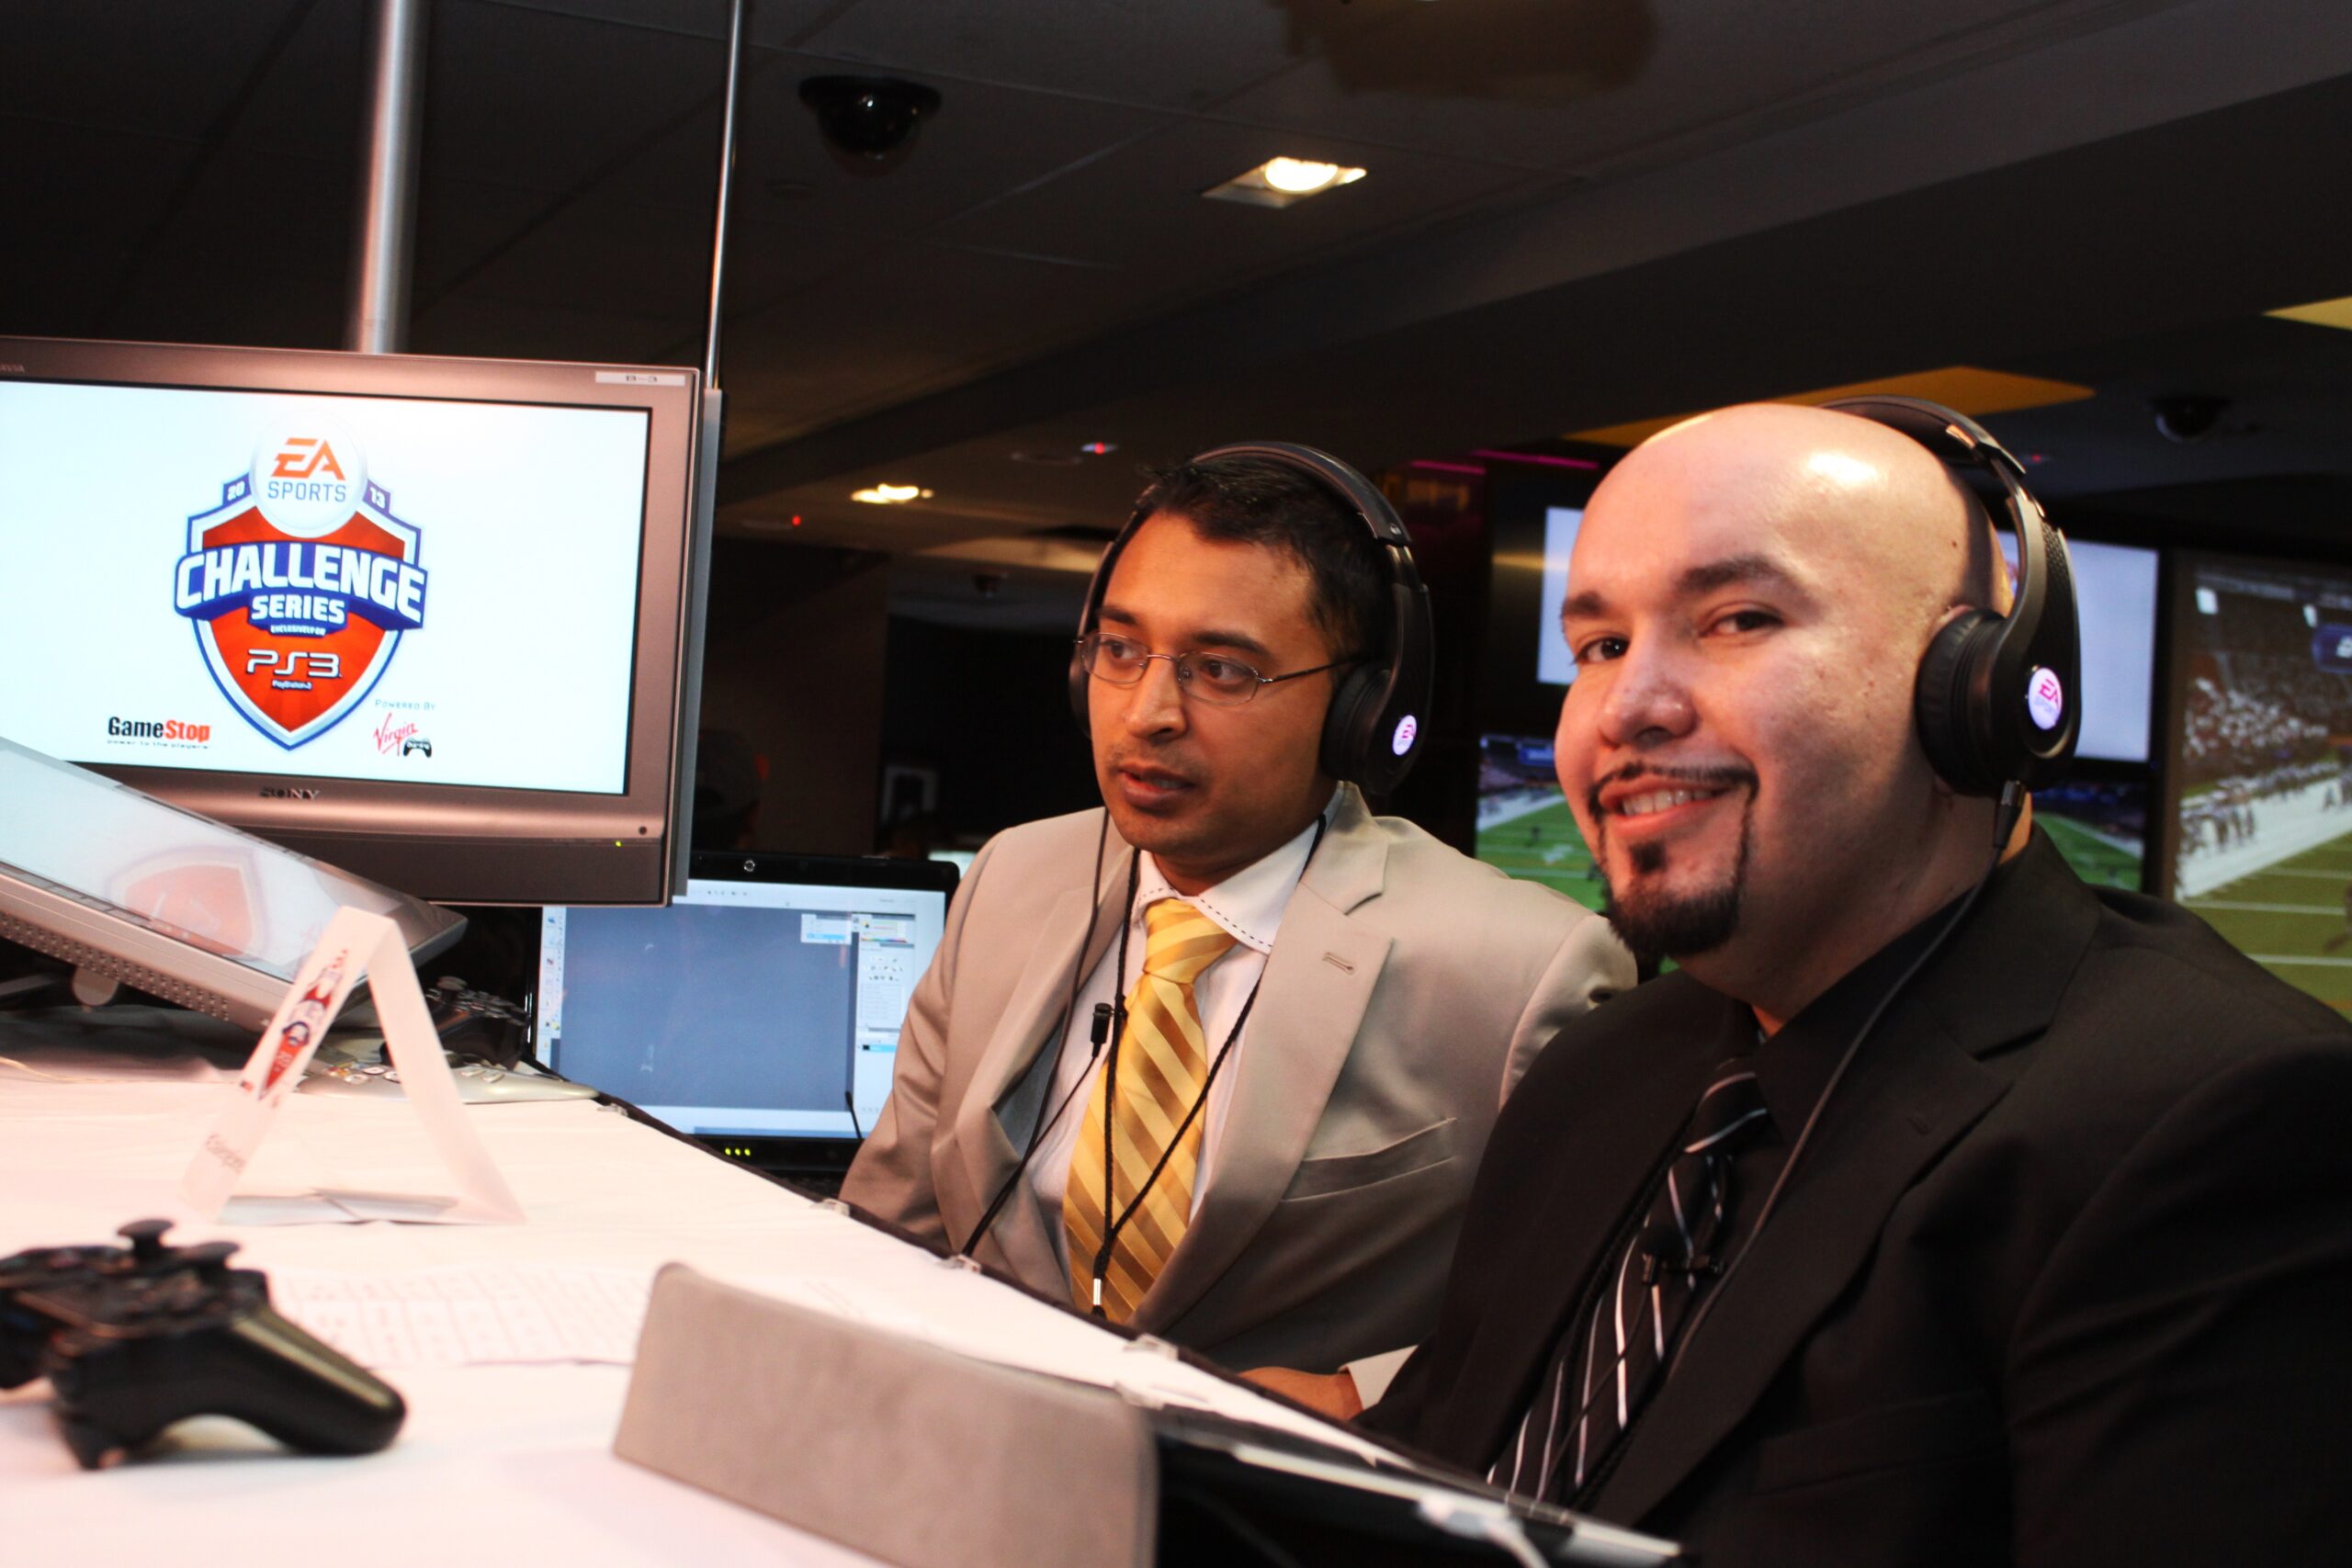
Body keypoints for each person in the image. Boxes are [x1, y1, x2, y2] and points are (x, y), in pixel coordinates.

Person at [1341, 403, 2352, 1565]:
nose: (1625, 708)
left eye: (1738, 620)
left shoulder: (2218, 1122)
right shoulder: (1600, 1069)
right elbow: (1430, 1472)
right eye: (1600, 646)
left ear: (1976, 688)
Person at [842, 453, 1634, 1375]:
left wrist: (1368, 1395)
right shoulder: (1010, 876)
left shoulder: (1524, 969)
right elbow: (884, 1229)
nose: (1147, 713)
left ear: (1362, 708)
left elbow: (1597, 1317)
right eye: (1120, 650)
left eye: (1221, 669)